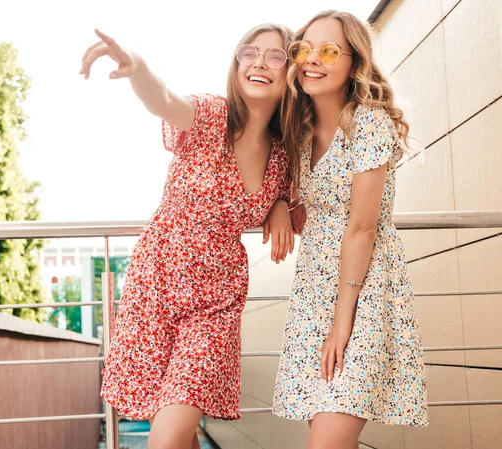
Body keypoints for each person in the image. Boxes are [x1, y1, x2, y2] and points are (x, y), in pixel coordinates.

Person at [80, 23, 298, 449]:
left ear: (290, 73)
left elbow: (295, 192)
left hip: (216, 302)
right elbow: (163, 100)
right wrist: (137, 65)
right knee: (174, 426)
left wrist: (281, 206)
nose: (259, 63)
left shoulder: (284, 154)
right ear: (236, 65)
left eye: (275, 56)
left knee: (170, 433)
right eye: (249, 53)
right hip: (156, 286)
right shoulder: (211, 115)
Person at [264, 10, 429, 449]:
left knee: (328, 440)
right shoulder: (297, 129)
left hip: (364, 288)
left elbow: (361, 227)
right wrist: (281, 203)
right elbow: (293, 193)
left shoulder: (369, 122)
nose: (312, 60)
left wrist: (343, 322)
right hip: (313, 289)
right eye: (303, 49)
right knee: (324, 430)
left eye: (329, 50)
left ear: (355, 62)